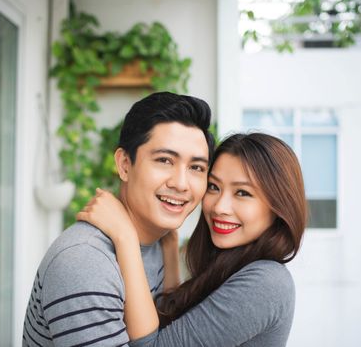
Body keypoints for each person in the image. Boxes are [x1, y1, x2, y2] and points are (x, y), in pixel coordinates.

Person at [77, 132, 307, 347]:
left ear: (278, 207)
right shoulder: (232, 263)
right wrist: (168, 246)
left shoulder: (266, 283)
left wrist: (125, 236)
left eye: (242, 193)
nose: (219, 207)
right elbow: (173, 323)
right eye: (214, 187)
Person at [22, 92, 215, 347]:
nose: (181, 184)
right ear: (124, 165)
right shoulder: (85, 260)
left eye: (196, 168)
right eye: (164, 160)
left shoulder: (158, 242)